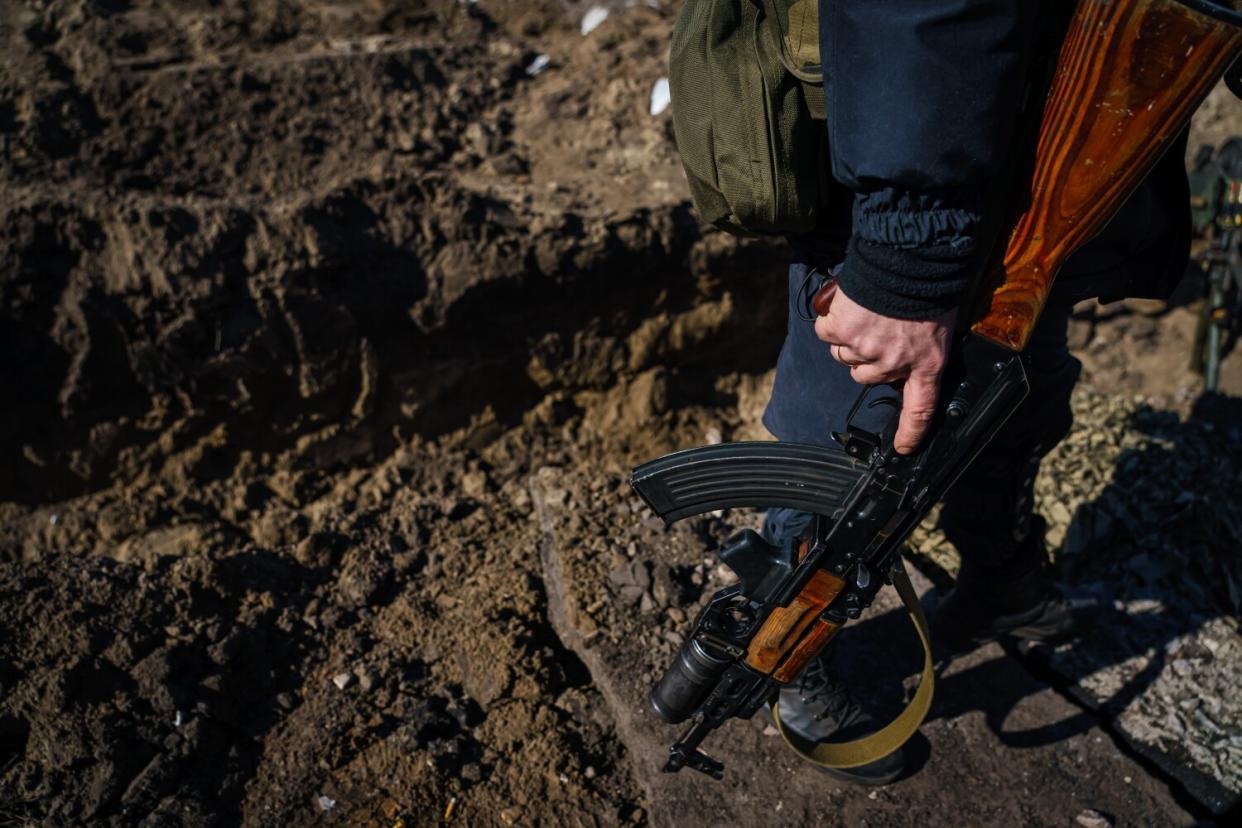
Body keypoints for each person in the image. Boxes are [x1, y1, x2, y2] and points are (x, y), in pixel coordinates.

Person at [760, 0, 1192, 786]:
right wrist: (904, 256)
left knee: (1012, 389)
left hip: (1057, 116)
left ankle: (1001, 574)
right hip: (900, 137)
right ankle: (794, 646)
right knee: (847, 425)